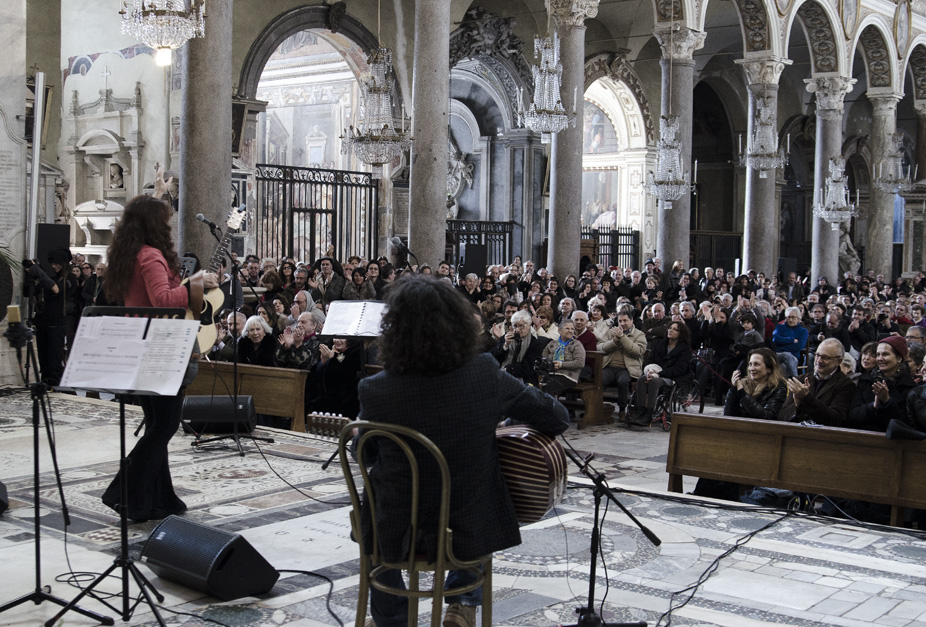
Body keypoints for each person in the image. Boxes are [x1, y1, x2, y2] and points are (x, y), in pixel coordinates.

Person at [355, 275, 568, 627]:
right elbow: (557, 417)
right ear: (457, 325)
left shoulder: (374, 389)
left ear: (395, 330)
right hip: (466, 527)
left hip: (395, 529)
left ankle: (392, 619)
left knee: (375, 501)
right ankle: (462, 602)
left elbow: (362, 454)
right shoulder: (485, 374)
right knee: (478, 487)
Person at [99, 167, 218, 522]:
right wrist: (197, 283)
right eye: (164, 222)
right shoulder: (150, 255)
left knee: (156, 423)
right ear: (154, 226)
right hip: (161, 347)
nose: (167, 227)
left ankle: (159, 501)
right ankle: (123, 492)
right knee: (165, 426)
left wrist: (159, 191)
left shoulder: (128, 254)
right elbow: (164, 298)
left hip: (141, 343)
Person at [628, 320, 692, 426]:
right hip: (655, 372)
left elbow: (679, 369)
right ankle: (640, 411)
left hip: (672, 377)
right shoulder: (660, 344)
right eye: (670, 328)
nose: (671, 330)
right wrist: (649, 371)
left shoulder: (685, 349)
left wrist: (659, 374)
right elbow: (650, 360)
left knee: (655, 382)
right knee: (642, 379)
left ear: (681, 334)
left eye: (675, 329)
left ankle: (649, 414)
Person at [779, 338, 856, 426]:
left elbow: (835, 420)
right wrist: (797, 404)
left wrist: (806, 397)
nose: (819, 360)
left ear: (838, 361)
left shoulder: (846, 384)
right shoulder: (800, 380)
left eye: (825, 357)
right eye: (817, 355)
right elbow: (781, 417)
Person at [538, 319, 585, 397]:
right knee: (537, 385)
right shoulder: (552, 343)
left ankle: (552, 407)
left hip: (568, 376)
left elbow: (580, 363)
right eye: (567, 328)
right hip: (551, 374)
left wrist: (561, 364)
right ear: (559, 330)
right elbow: (544, 357)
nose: (570, 331)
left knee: (550, 386)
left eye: (572, 329)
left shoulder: (577, 344)